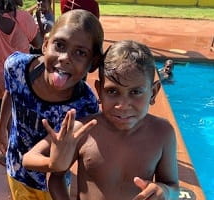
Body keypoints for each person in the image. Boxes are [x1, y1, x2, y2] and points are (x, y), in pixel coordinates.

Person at [22, 40, 180, 199]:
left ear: (153, 92)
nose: (123, 105)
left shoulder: (162, 133)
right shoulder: (84, 130)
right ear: (99, 91)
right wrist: (53, 164)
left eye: (135, 92)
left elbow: (172, 186)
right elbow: (40, 166)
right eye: (112, 91)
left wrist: (164, 192)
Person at [0, 9, 104, 199]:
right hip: (16, 167)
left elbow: (67, 162)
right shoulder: (16, 67)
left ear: (92, 62)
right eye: (60, 45)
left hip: (52, 184)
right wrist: (1, 132)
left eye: (80, 52)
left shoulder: (85, 104)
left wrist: (54, 165)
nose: (64, 58)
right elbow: (10, 93)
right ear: (45, 44)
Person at [0, 0, 42, 166]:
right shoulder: (24, 18)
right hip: (21, 78)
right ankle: (19, 151)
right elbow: (38, 43)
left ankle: (11, 152)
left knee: (5, 116)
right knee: (19, 114)